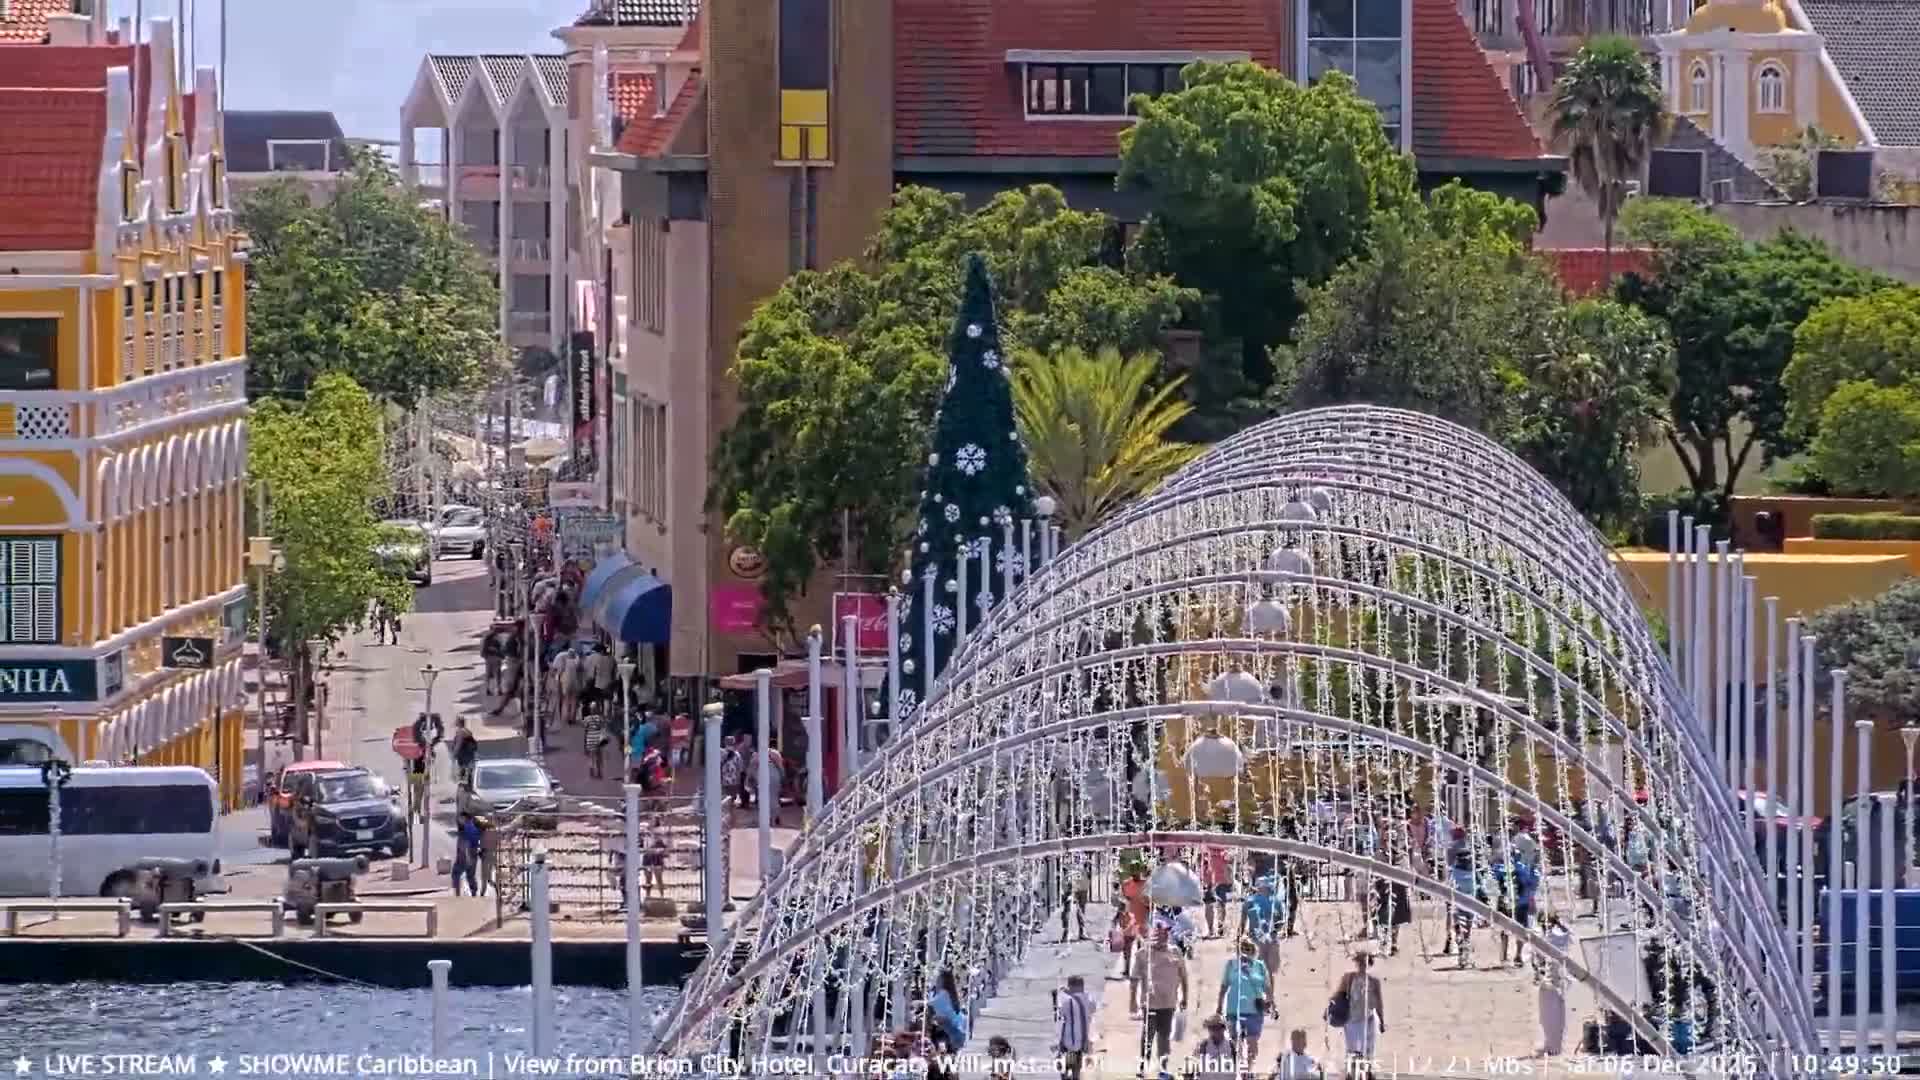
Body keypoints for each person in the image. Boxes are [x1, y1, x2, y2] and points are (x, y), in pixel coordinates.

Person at [1129, 925, 1189, 1075]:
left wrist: (1185, 997)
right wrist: (1132, 1001)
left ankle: (1163, 1070)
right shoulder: (1143, 954)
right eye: (1160, 933)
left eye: (1166, 933)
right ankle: (1143, 1068)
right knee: (1147, 1037)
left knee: (1164, 1038)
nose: (1164, 936)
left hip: (1169, 1004)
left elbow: (1183, 976)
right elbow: (1134, 979)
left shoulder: (1175, 952)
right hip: (1150, 1004)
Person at [1215, 938, 1273, 1064]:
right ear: (1238, 950)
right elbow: (1224, 986)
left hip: (1255, 1010)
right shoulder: (1231, 965)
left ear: (1254, 951)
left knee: (1252, 1043)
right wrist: (1219, 1006)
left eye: (1249, 949)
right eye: (1243, 949)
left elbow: (1267, 986)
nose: (1245, 952)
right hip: (1234, 1009)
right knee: (1235, 1043)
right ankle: (1237, 1069)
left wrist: (1270, 1002)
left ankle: (1249, 1069)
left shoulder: (1259, 966)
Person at [1332, 950, 1385, 1080]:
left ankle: (1367, 1074)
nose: (1362, 965)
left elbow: (1378, 1002)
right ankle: (1351, 1074)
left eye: (1365, 962)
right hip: (1351, 1021)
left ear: (1369, 964)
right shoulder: (1348, 978)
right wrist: (1332, 1010)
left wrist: (1382, 1020)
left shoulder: (1374, 981)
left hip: (1369, 1019)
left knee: (1368, 1050)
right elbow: (1338, 995)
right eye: (1360, 962)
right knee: (1352, 1051)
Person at [1534, 911, 1572, 1056]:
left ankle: (1551, 1045)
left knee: (1548, 1016)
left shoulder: (1547, 936)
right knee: (1559, 1017)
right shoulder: (1564, 935)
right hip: (1562, 981)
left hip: (1550, 982)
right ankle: (1556, 1045)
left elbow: (1538, 959)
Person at [1241, 875, 1284, 980]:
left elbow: (1242, 922)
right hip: (1271, 938)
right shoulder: (1276, 902)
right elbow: (1281, 922)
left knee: (1257, 968)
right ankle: (1270, 995)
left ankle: (1258, 993)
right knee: (1269, 971)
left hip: (1255, 939)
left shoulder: (1249, 901)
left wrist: (1240, 936)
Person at [1054, 974, 1094, 1080]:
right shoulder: (1088, 999)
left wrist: (1060, 995)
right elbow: (1092, 1007)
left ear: (1071, 987)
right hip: (1081, 1041)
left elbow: (1060, 1014)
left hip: (1069, 1041)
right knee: (1076, 1070)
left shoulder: (1068, 1001)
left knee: (1065, 1069)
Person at [928, 969, 969, 1054]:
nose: (936, 981)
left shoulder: (944, 993)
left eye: (938, 979)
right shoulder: (949, 993)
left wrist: (918, 1003)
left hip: (950, 1025)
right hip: (954, 1026)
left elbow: (933, 1003)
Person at [1120, 866, 1151, 972]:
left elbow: (1151, 904)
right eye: (1134, 871)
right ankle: (1127, 969)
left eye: (1137, 871)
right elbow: (1122, 902)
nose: (1136, 873)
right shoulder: (1126, 884)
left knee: (1141, 948)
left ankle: (1140, 969)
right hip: (1129, 921)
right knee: (1127, 947)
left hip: (1142, 921)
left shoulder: (1146, 885)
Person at [1201, 843, 1232, 938]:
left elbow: (1228, 864)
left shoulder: (1223, 851)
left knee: (1220, 905)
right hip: (1210, 881)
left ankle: (1220, 928)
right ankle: (1212, 929)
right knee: (1209, 905)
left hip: (1221, 881)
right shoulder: (1206, 848)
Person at [450, 812, 481, 896]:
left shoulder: (466, 828)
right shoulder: (473, 828)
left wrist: (467, 857)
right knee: (470, 875)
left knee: (455, 873)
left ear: (465, 818)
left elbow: (466, 843)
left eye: (461, 818)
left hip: (465, 855)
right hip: (472, 854)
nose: (459, 820)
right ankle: (474, 893)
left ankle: (457, 894)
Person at [1060, 856, 1090, 942]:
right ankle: (1066, 931)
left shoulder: (1084, 853)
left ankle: (1081, 931)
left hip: (1082, 885)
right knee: (1068, 909)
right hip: (1071, 884)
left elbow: (1086, 866)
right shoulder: (1067, 852)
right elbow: (1064, 867)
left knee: (1081, 909)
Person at [449, 716, 479, 786]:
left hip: (463, 756)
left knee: (462, 772)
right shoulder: (467, 731)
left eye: (456, 722)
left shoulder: (461, 732)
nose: (455, 723)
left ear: (459, 723)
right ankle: (468, 785)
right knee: (468, 771)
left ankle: (463, 786)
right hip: (469, 755)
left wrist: (454, 755)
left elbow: (458, 744)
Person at [643, 826, 669, 896]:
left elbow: (664, 849)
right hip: (648, 858)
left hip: (656, 858)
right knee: (648, 879)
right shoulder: (645, 837)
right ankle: (648, 895)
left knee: (659, 879)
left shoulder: (659, 839)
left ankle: (662, 895)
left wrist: (658, 851)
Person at [584, 706, 609, 780]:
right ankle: (599, 773)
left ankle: (591, 773)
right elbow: (604, 728)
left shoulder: (587, 719)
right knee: (599, 758)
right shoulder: (600, 718)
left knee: (591, 757)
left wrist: (585, 744)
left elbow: (586, 731)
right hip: (599, 741)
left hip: (590, 740)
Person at [480, 628, 506, 694]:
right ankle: (498, 689)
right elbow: (502, 648)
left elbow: (483, 648)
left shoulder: (486, 638)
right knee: (497, 674)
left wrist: (484, 655)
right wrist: (502, 656)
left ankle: (488, 689)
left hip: (489, 658)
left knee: (489, 674)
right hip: (496, 658)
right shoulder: (498, 638)